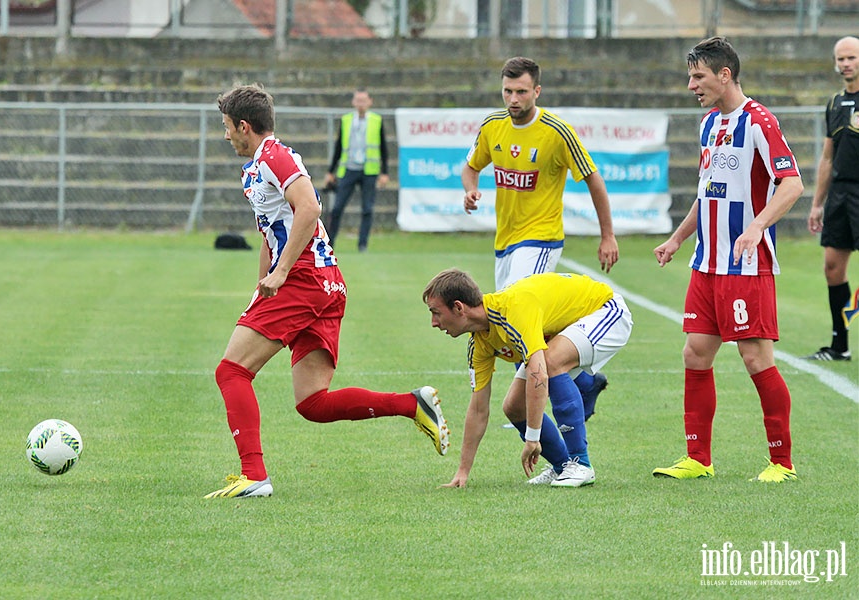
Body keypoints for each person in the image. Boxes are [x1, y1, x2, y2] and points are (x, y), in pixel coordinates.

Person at [205, 84, 448, 499]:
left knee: (231, 371)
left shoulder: (273, 157)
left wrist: (281, 274)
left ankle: (254, 476)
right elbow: (272, 234)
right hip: (323, 282)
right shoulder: (260, 164)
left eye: (227, 127)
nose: (225, 135)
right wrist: (261, 287)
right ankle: (412, 404)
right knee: (313, 403)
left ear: (244, 126)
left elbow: (310, 208)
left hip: (304, 280)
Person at [651, 37, 804, 483]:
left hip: (745, 264)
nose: (690, 85)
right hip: (706, 262)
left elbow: (791, 184)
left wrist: (757, 226)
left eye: (698, 76)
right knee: (695, 354)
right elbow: (707, 193)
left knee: (756, 358)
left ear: (724, 75)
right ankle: (698, 459)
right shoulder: (707, 126)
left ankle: (782, 463)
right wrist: (678, 239)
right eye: (690, 76)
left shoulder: (759, 121)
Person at [461, 56, 618, 423]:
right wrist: (471, 190)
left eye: (520, 91)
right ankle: (581, 382)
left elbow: (594, 179)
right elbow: (470, 166)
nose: (513, 99)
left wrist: (607, 235)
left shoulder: (556, 131)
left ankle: (527, 405)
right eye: (507, 91)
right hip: (505, 242)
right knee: (519, 323)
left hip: (541, 239)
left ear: (536, 91)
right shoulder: (492, 126)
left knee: (515, 319)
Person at [423, 268, 633, 488]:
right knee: (514, 407)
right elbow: (478, 409)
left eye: (435, 312)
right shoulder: (479, 343)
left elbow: (539, 374)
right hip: (568, 325)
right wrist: (463, 472)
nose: (433, 322)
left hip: (605, 310)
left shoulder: (512, 311)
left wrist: (533, 438)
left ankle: (581, 463)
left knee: (550, 363)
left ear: (458, 307)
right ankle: (563, 466)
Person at [804, 36, 859, 362]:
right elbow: (827, 157)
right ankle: (840, 345)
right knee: (832, 268)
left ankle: (851, 316)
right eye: (841, 59)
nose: (846, 64)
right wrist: (817, 202)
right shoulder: (834, 103)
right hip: (839, 195)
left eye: (851, 57)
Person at [322, 88, 389, 253]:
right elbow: (338, 147)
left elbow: (383, 148)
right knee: (337, 208)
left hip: (369, 171)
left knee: (367, 209)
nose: (360, 104)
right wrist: (331, 171)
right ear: (353, 102)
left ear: (369, 102)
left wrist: (384, 172)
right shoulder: (346, 120)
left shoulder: (376, 120)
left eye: (363, 100)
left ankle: (362, 244)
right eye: (358, 100)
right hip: (349, 169)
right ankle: (329, 244)